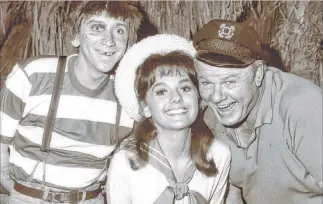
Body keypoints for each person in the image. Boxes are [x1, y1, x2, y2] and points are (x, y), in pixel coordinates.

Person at [0, 2, 142, 203]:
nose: (109, 40)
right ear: (76, 36)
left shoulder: (128, 96)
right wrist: (23, 194)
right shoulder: (33, 75)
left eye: (119, 30)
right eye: (97, 28)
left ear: (128, 44)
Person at [192, 19, 323, 204]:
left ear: (259, 73)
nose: (216, 97)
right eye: (206, 83)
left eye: (230, 81)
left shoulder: (302, 107)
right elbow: (230, 190)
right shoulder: (211, 120)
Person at [107, 34, 231, 204]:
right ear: (145, 107)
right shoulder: (126, 163)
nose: (176, 98)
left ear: (199, 99)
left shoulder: (218, 155)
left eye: (185, 88)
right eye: (161, 92)